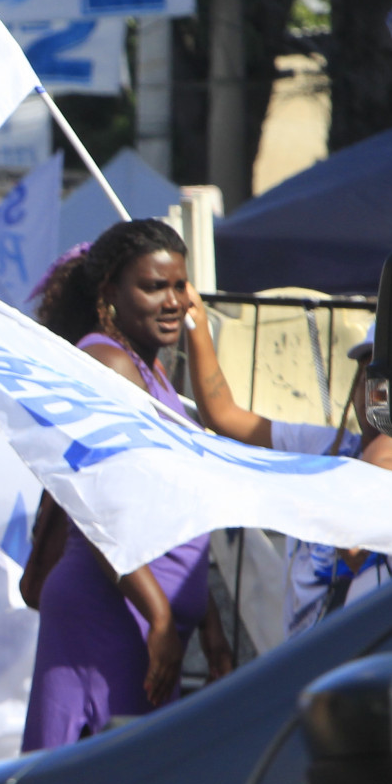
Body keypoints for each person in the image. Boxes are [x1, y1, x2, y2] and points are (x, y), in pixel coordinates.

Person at [21, 221, 233, 750]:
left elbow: (166, 516)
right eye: (154, 286)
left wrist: (205, 621)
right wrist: (160, 615)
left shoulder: (151, 369)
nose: (174, 301)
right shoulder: (107, 361)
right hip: (110, 616)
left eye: (180, 285)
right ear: (110, 293)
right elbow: (97, 507)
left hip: (148, 621)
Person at [184, 309, 392, 637]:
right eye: (368, 373)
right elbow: (223, 417)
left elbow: (352, 547)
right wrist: (197, 324)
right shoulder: (321, 447)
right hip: (301, 657)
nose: (376, 390)